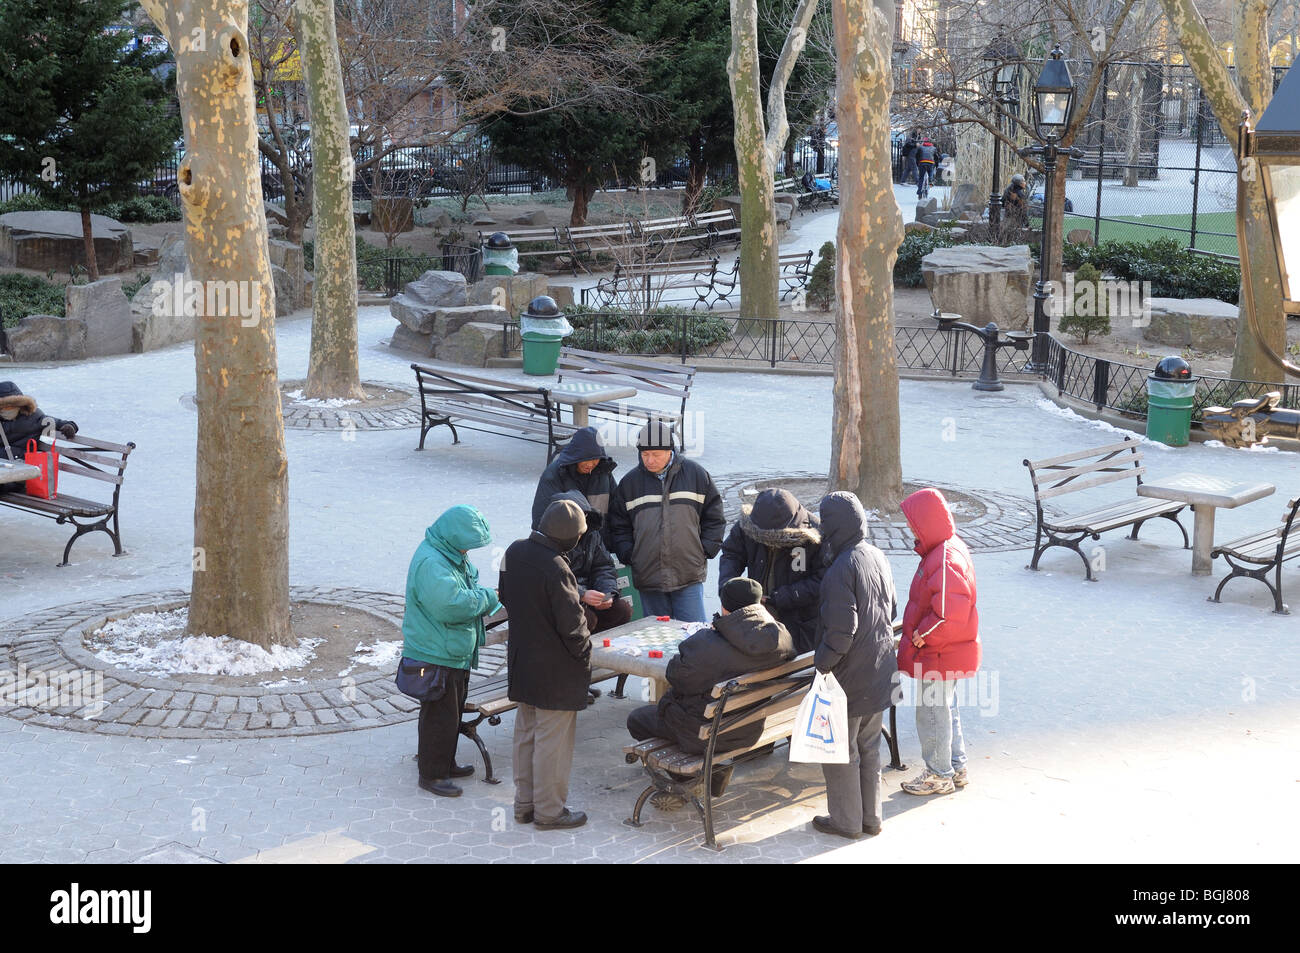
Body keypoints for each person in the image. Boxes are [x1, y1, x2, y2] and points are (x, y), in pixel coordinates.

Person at [627, 577, 795, 791]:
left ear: (724, 606)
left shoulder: (707, 644)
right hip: (751, 727)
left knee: (637, 719)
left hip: (705, 735)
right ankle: (711, 773)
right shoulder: (781, 636)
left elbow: (676, 677)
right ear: (760, 603)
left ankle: (690, 779)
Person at [498, 497, 592, 830]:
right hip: (555, 671)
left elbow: (504, 597)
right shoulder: (557, 567)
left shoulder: (514, 551)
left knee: (526, 733)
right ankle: (550, 812)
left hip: (523, 662)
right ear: (572, 537)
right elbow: (573, 625)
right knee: (552, 742)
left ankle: (524, 805)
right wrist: (584, 653)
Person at [811, 491, 898, 840]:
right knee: (869, 748)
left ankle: (846, 822)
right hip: (881, 671)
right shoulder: (876, 555)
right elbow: (892, 609)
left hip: (849, 678)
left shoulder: (839, 569)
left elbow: (841, 634)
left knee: (841, 753)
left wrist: (822, 665)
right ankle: (870, 819)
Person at [401, 504, 500, 798]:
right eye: (466, 545)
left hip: (451, 650)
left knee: (450, 713)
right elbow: (451, 605)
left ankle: (445, 762)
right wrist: (487, 597)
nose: (468, 552)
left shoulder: (450, 554)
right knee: (439, 715)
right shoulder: (432, 563)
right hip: (436, 653)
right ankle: (432, 774)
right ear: (453, 538)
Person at [897, 487, 980, 796]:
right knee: (946, 709)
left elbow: (949, 614)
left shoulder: (943, 559)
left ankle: (938, 774)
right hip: (950, 651)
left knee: (932, 712)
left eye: (913, 525)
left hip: (939, 651)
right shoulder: (946, 549)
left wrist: (923, 634)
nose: (910, 530)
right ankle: (956, 768)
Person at [607, 418, 724, 623]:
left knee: (694, 635)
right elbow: (618, 525)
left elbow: (714, 516)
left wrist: (704, 550)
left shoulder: (696, 475)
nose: (650, 460)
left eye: (656, 454)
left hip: (688, 573)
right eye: (645, 454)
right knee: (657, 638)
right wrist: (629, 554)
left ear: (670, 451)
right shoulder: (630, 483)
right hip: (648, 576)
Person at [718, 488, 825, 653]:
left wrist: (782, 597)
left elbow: (823, 580)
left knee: (792, 668)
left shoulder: (817, 534)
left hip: (800, 620)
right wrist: (728, 587)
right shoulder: (748, 525)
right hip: (758, 613)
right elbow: (732, 554)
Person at [549, 489, 632, 634]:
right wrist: (582, 595)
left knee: (622, 610)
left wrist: (606, 593)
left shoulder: (592, 535)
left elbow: (604, 567)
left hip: (589, 596)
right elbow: (553, 581)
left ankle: (595, 649)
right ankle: (580, 650)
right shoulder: (550, 540)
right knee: (587, 619)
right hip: (563, 602)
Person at [530, 426, 617, 545]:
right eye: (586, 459)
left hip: (601, 548)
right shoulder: (553, 475)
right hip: (566, 549)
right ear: (576, 455)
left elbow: (617, 510)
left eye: (595, 459)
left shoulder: (603, 472)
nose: (591, 464)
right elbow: (540, 521)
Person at [0, 382, 77, 492]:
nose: (7, 410)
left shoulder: (33, 417)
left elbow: (60, 422)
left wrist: (70, 427)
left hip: (21, 474)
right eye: (4, 407)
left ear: (20, 405)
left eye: (11, 406)